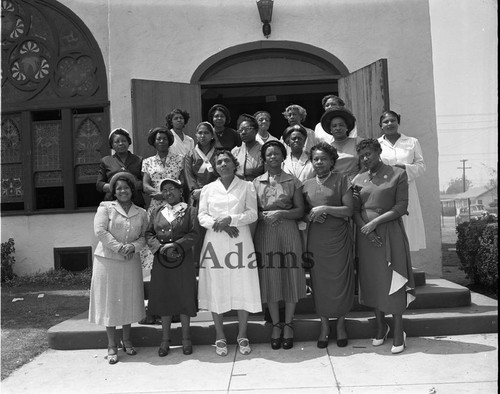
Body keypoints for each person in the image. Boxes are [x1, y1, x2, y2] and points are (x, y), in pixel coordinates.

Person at [352, 138, 415, 354]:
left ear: (379, 151)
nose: (365, 158)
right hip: (366, 236)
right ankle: (381, 326)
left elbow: (401, 206)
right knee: (373, 281)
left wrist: (375, 223)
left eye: (369, 153)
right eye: (361, 155)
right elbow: (355, 210)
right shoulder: (358, 179)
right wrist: (366, 230)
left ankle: (399, 330)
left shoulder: (398, 174)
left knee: (393, 279)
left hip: (390, 232)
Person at [197, 149, 261, 356]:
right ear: (215, 167)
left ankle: (242, 335)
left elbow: (252, 214)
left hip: (239, 241)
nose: (223, 164)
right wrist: (220, 224)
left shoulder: (246, 186)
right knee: (217, 286)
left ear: (235, 164)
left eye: (226, 161)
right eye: (219, 162)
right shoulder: (207, 188)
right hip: (215, 242)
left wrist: (231, 220)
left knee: (241, 285)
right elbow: (202, 216)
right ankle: (220, 336)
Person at [89, 172, 148, 364]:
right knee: (111, 301)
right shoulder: (106, 208)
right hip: (108, 261)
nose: (123, 191)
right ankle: (111, 344)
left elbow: (144, 236)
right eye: (119, 188)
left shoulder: (141, 212)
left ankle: (127, 339)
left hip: (130, 260)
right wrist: (119, 248)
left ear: (132, 190)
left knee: (128, 300)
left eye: (126, 187)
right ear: (114, 191)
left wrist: (132, 247)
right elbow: (100, 231)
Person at [253, 140, 306, 350]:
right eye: (269, 154)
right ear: (264, 158)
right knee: (270, 276)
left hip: (288, 230)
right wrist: (263, 215)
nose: (273, 157)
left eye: (277, 154)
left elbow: (300, 211)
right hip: (265, 231)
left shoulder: (293, 181)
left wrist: (282, 213)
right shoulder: (256, 183)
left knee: (291, 274)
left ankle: (289, 324)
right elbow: (251, 211)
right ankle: (276, 324)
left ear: (283, 156)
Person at [302, 142, 355, 349]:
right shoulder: (305, 184)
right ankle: (324, 326)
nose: (319, 162)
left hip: (339, 238)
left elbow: (349, 210)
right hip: (317, 239)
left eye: (324, 158)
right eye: (315, 159)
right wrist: (311, 215)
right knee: (320, 282)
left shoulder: (342, 180)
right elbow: (303, 212)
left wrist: (326, 208)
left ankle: (341, 325)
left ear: (332, 161)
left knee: (341, 280)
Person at [146, 178, 200, 357]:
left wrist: (176, 246)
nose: (168, 193)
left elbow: (194, 234)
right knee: (164, 298)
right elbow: (149, 233)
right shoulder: (157, 211)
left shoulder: (190, 210)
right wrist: (159, 248)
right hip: (162, 261)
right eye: (165, 190)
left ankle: (186, 338)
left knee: (184, 296)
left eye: (172, 189)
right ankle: (165, 339)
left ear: (180, 191)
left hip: (182, 260)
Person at [140, 126, 184, 324]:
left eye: (165, 138)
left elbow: (182, 182)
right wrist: (157, 193)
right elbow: (145, 184)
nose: (161, 141)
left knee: (174, 254)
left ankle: (174, 308)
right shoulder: (148, 162)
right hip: (157, 208)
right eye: (158, 139)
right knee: (156, 259)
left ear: (169, 140)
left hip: (175, 207)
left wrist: (170, 194)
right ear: (153, 141)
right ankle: (154, 310)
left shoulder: (179, 159)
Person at [378, 110, 426, 251]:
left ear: (398, 122)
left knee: (407, 222)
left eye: (393, 120)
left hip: (407, 188)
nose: (389, 123)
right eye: (385, 121)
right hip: (385, 189)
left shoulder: (412, 142)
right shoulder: (377, 144)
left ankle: (406, 263)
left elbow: (421, 166)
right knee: (387, 220)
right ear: (381, 125)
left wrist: (404, 167)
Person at [96, 128, 145, 208]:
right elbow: (99, 185)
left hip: (136, 202)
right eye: (117, 141)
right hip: (112, 203)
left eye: (124, 141)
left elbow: (145, 183)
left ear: (129, 142)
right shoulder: (106, 161)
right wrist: (115, 188)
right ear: (112, 145)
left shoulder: (139, 160)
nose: (121, 143)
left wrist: (131, 186)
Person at [320, 106, 361, 183]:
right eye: (334, 126)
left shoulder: (358, 142)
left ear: (347, 127)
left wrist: (355, 180)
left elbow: (365, 166)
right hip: (335, 185)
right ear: (330, 130)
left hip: (357, 183)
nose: (338, 128)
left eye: (341, 125)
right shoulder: (327, 148)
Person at [184, 121, 219, 207]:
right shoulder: (190, 155)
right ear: (196, 135)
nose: (203, 136)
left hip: (216, 193)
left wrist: (210, 190)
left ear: (212, 135)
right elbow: (188, 175)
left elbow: (222, 175)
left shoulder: (219, 154)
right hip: (196, 195)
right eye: (200, 133)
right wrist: (195, 190)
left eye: (206, 133)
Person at [231, 114, 265, 182]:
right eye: (240, 130)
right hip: (239, 188)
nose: (243, 132)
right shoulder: (235, 151)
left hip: (257, 188)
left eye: (246, 129)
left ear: (256, 130)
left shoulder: (263, 150)